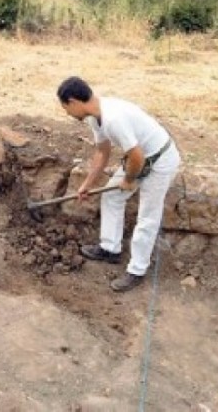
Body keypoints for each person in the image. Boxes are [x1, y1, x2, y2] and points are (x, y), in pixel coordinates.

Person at [57, 76, 181, 292]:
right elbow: (102, 152)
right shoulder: (95, 118)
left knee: (147, 217)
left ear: (73, 102)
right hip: (140, 158)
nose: (67, 114)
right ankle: (110, 249)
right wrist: (87, 183)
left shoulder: (113, 118)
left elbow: (137, 156)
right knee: (112, 197)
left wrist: (129, 180)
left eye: (66, 108)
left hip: (160, 159)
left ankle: (137, 270)